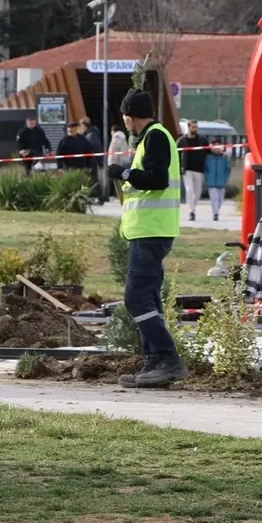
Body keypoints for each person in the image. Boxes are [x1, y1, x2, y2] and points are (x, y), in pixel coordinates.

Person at [106, 89, 188, 388]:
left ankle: (167, 358)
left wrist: (125, 173)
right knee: (148, 296)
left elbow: (157, 179)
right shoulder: (152, 137)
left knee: (136, 297)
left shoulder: (155, 137)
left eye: (124, 116)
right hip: (149, 230)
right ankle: (154, 361)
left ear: (129, 116)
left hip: (151, 231)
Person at [176, 120, 209, 222]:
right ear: (188, 127)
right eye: (193, 127)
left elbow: (209, 150)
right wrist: (179, 168)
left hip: (199, 169)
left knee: (198, 192)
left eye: (196, 127)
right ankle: (191, 211)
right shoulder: (181, 141)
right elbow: (176, 154)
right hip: (187, 169)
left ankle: (193, 207)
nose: (195, 129)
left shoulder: (202, 140)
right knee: (189, 190)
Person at [204, 137, 230, 222]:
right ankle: (215, 213)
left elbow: (227, 169)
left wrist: (225, 179)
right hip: (211, 182)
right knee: (214, 198)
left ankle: (217, 210)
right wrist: (207, 178)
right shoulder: (208, 158)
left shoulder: (224, 158)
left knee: (220, 199)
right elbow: (205, 169)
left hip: (221, 182)